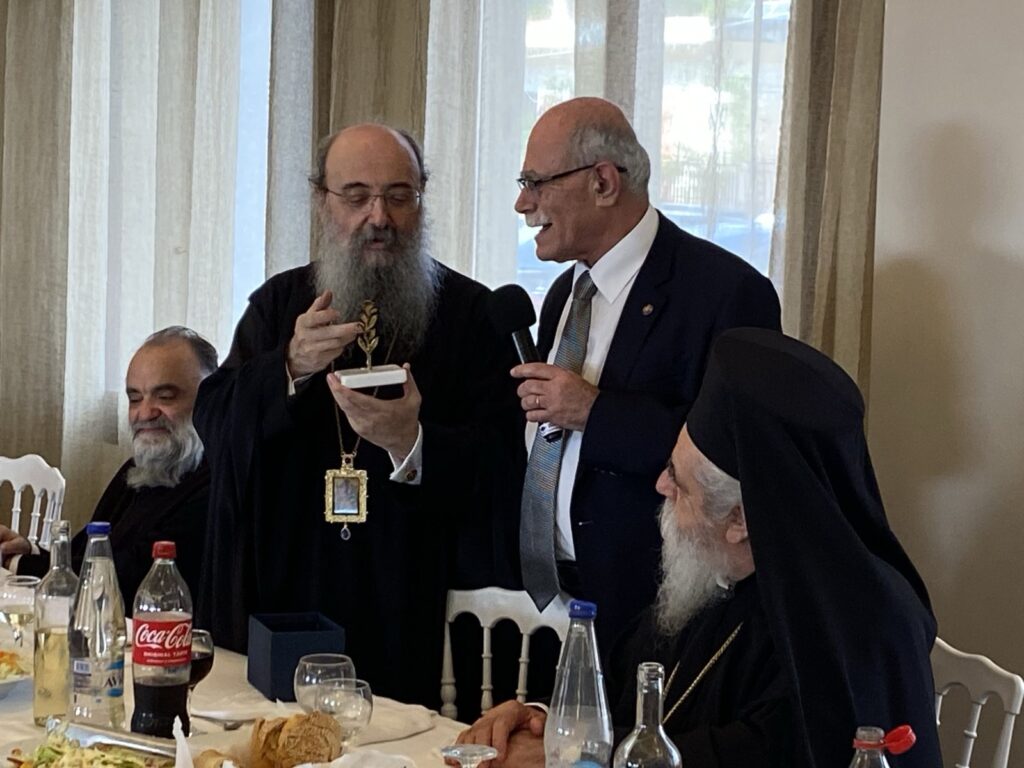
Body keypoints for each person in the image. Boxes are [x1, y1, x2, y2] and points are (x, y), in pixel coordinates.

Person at [457, 328, 942, 768]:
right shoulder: (715, 575)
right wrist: (545, 720)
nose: (660, 486)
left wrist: (576, 754)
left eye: (679, 481)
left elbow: (758, 755)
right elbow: (619, 686)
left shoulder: (858, 627)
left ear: (740, 520)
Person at [193, 124, 523, 709]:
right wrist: (289, 365)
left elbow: (504, 464)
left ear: (421, 200)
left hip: (409, 593)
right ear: (324, 202)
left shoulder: (472, 317)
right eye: (357, 196)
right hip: (289, 589)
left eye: (399, 195)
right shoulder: (279, 305)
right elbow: (214, 421)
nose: (380, 217)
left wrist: (412, 445)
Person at [513, 97, 781, 649]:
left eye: (536, 183)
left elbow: (738, 461)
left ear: (603, 183)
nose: (523, 203)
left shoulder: (726, 292)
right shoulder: (565, 292)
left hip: (658, 613)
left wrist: (595, 412)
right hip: (557, 604)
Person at [0, 326, 216, 603]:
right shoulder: (137, 470)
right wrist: (28, 552)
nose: (145, 413)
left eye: (165, 397)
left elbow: (124, 582)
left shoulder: (217, 482)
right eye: (135, 398)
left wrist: (15, 563)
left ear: (212, 398)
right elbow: (86, 554)